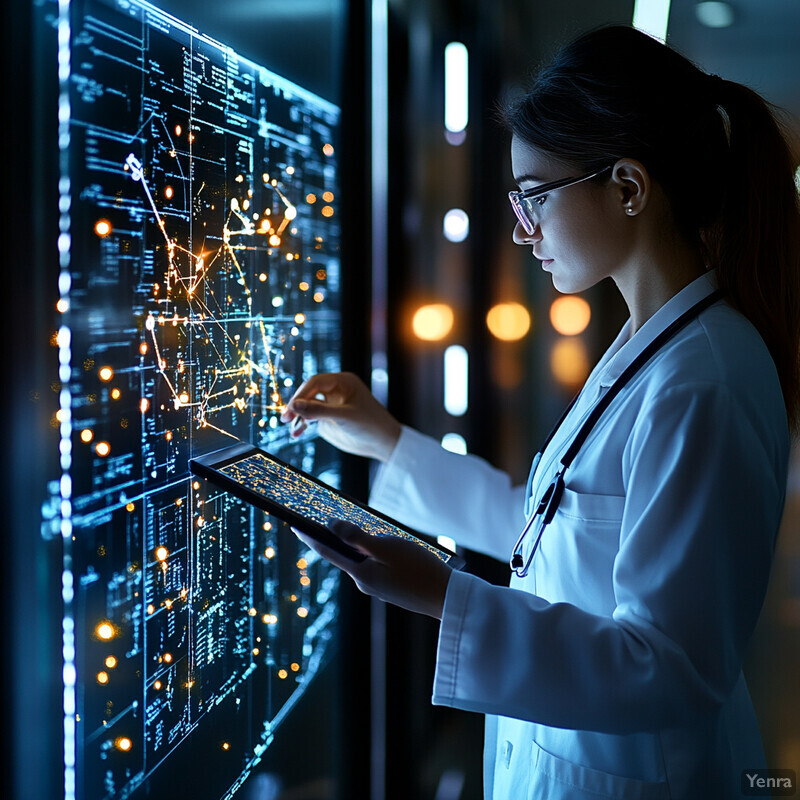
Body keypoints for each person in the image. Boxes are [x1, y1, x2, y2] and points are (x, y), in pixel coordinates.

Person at [281, 25, 800, 800]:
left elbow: (672, 670)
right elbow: (550, 529)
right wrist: (388, 443)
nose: (522, 231)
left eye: (533, 197)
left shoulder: (704, 379)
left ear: (627, 187)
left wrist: (441, 594)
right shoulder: (654, 346)